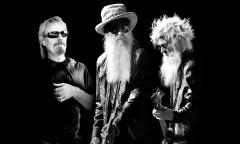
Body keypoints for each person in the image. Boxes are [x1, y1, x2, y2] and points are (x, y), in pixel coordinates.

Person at [91, 3, 160, 144]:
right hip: (107, 134)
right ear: (107, 34)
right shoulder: (101, 62)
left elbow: (137, 94)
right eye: (114, 29)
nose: (121, 33)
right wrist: (95, 135)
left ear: (130, 28)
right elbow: (100, 102)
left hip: (132, 135)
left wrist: (115, 125)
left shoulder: (140, 56)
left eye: (124, 27)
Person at [37, 16, 94, 144]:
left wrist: (74, 92)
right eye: (53, 34)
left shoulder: (80, 68)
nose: (60, 38)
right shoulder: (37, 72)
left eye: (63, 33)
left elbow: (93, 105)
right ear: (43, 40)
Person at [150, 14, 199, 144]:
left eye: (164, 45)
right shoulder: (176, 66)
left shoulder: (190, 68)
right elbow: (177, 109)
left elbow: (196, 107)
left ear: (177, 41)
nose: (161, 50)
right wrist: (170, 134)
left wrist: (172, 115)